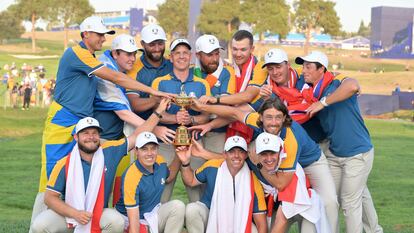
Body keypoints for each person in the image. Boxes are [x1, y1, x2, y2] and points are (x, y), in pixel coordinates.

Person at [31, 15, 173, 230]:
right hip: (62, 122)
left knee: (85, 179)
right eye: (98, 34)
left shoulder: (91, 56)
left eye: (104, 35)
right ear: (85, 34)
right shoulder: (77, 54)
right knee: (51, 178)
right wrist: (153, 91)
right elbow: (116, 78)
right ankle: (38, 226)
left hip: (80, 124)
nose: (102, 38)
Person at [191, 97, 338, 232]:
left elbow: (281, 184)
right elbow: (234, 112)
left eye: (278, 118)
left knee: (329, 201)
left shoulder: (290, 140)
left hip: (310, 162)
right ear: (260, 117)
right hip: (276, 158)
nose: (273, 122)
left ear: (285, 118)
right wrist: (202, 107)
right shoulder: (259, 124)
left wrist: (259, 165)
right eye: (269, 117)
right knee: (277, 215)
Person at [31, 99, 169, 233]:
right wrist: (75, 213)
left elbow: (137, 135)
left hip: (97, 213)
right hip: (69, 214)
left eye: (94, 133)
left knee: (116, 221)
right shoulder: (64, 163)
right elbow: (49, 198)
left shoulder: (109, 151)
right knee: (40, 225)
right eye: (85, 133)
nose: (91, 137)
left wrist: (158, 112)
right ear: (76, 137)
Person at [295, 51, 382, 233]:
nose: (304, 71)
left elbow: (353, 86)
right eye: (303, 66)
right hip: (335, 154)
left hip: (357, 153)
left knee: (350, 202)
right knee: (331, 198)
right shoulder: (310, 91)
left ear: (322, 69)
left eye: (308, 66)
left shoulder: (336, 83)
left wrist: (323, 103)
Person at [151, 38, 211, 203]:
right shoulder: (159, 82)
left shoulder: (202, 84)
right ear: (171, 57)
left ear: (191, 56)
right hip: (166, 141)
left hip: (193, 142)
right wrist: (174, 118)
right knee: (161, 189)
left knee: (197, 193)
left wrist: (191, 118)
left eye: (185, 53)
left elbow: (206, 115)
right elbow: (155, 113)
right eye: (177, 53)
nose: (182, 56)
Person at [175, 136, 267, 233]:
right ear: (225, 154)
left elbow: (261, 222)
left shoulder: (252, 180)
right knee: (192, 209)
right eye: (231, 151)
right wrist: (185, 163)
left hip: (238, 219)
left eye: (241, 151)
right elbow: (190, 181)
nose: (236, 155)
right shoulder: (212, 166)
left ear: (246, 155)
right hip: (211, 212)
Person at [198, 30, 267, 144]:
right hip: (229, 126)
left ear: (252, 49)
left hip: (254, 131)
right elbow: (233, 113)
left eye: (243, 49)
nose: (238, 54)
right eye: (235, 49)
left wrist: (216, 99)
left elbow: (247, 96)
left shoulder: (260, 68)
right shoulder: (229, 68)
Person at [253, 132, 330, 233]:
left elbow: (282, 220)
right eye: (264, 154)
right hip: (281, 207)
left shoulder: (289, 172)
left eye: (272, 153)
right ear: (257, 154)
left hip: (306, 209)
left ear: (280, 151)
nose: (269, 159)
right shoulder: (257, 167)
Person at [115, 132, 185, 233]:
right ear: (136, 151)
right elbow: (133, 215)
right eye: (144, 149)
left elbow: (169, 177)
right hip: (129, 218)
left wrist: (179, 156)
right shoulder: (131, 176)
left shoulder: (160, 162)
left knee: (178, 206)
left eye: (153, 148)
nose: (150, 153)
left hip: (151, 214)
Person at [193, 34, 234, 154]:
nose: (215, 59)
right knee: (197, 170)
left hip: (217, 131)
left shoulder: (227, 72)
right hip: (194, 131)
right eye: (209, 55)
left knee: (215, 168)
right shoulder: (191, 71)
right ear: (198, 55)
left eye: (217, 53)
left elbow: (225, 106)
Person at [127, 24, 174, 124]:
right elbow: (134, 104)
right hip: (143, 128)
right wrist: (157, 99)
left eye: (160, 43)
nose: (157, 49)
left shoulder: (172, 64)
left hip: (172, 126)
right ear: (142, 44)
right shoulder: (133, 68)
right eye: (152, 44)